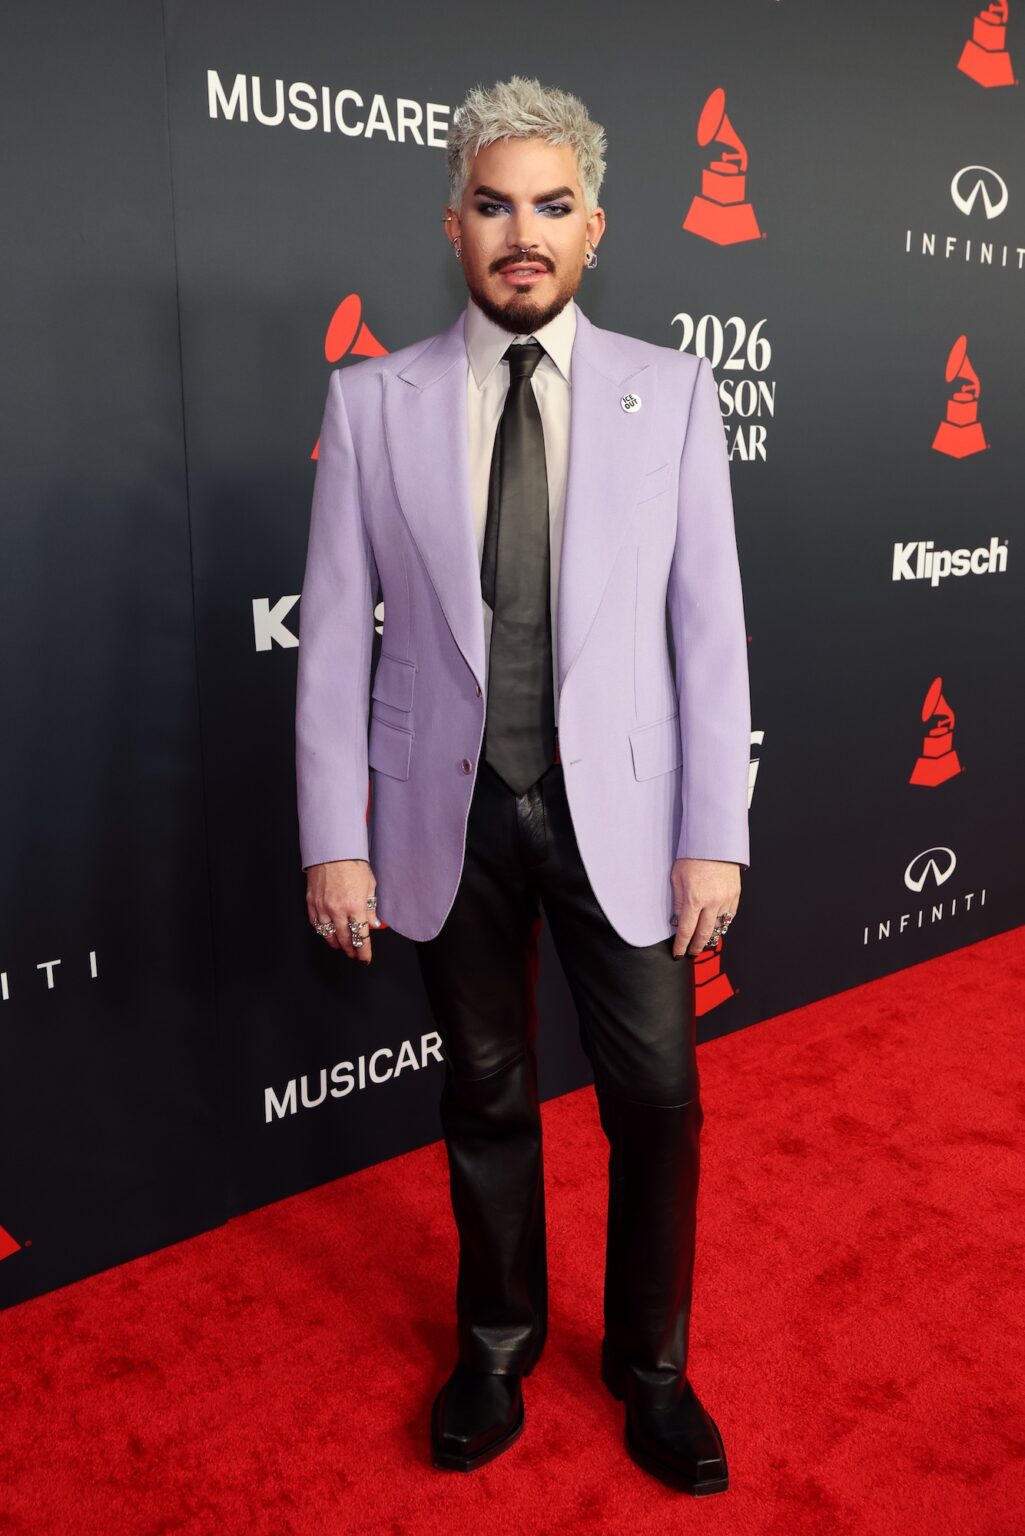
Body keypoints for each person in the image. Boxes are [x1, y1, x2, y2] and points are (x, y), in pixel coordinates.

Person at [295, 75, 751, 1497]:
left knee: (658, 1100)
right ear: (454, 224)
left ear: (594, 228)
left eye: (550, 206)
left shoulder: (670, 392)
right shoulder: (372, 401)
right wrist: (334, 838)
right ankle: (493, 1345)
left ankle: (650, 1367)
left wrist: (710, 835)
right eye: (494, 205)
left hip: (621, 807)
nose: (521, 233)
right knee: (485, 1095)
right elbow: (329, 633)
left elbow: (707, 630)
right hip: (447, 811)